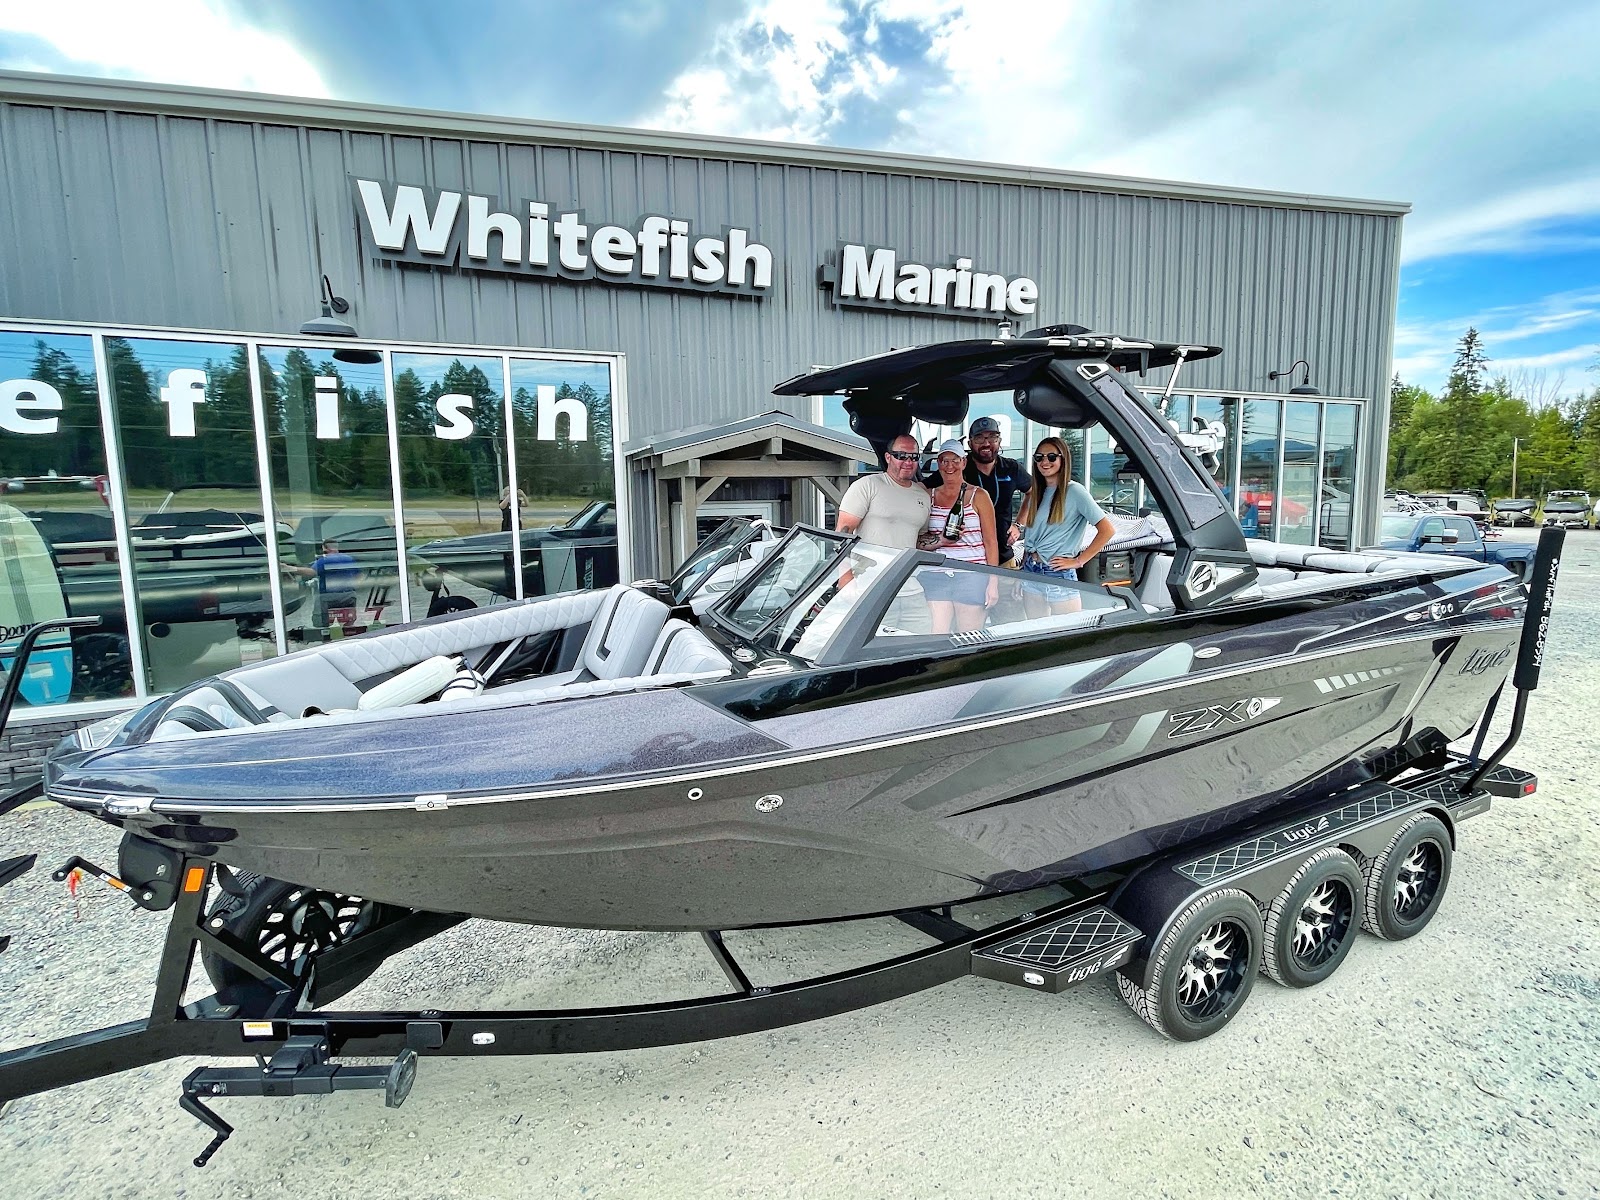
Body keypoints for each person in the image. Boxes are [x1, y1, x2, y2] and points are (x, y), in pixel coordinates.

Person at [1012, 436, 1117, 615]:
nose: (1045, 462)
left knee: (1068, 629)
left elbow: (1107, 530)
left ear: (1063, 459)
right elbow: (1032, 537)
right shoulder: (1036, 493)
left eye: (1052, 457)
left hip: (1058, 572)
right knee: (1037, 629)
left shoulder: (1075, 491)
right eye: (1039, 457)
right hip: (1031, 570)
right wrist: (1021, 572)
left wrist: (1079, 561)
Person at [923, 439, 999, 633]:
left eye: (955, 460)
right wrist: (940, 540)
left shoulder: (979, 495)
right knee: (936, 636)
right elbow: (919, 538)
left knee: (968, 636)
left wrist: (993, 582)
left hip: (971, 574)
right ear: (938, 464)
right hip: (936, 574)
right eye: (944, 460)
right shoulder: (928, 495)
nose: (950, 466)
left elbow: (991, 542)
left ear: (964, 462)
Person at [835, 434, 932, 549]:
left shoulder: (923, 496)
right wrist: (843, 561)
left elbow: (920, 540)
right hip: (867, 561)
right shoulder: (867, 485)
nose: (908, 462)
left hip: (907, 562)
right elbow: (843, 533)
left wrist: (944, 540)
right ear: (888, 457)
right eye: (901, 456)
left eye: (914, 457)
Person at [963, 417, 1031, 565]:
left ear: (999, 441)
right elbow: (926, 490)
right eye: (979, 438)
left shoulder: (1011, 468)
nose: (986, 443)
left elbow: (1034, 492)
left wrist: (1019, 524)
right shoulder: (959, 468)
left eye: (992, 437)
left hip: (1004, 557)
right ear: (970, 443)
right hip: (967, 559)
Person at [284, 536, 360, 626]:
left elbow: (311, 572)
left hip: (327, 597)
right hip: (348, 596)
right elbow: (358, 575)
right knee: (348, 624)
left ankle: (325, 633)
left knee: (321, 624)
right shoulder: (349, 559)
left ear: (325, 548)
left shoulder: (324, 560)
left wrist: (288, 568)